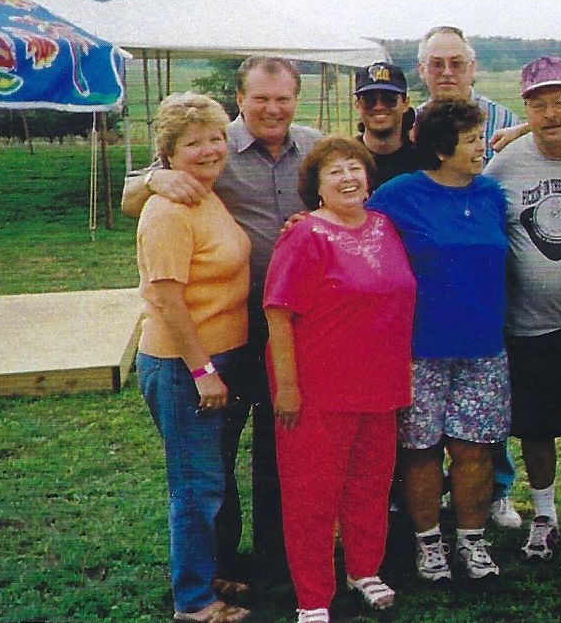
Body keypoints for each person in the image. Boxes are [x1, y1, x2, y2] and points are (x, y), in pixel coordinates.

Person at [122, 56, 323, 585]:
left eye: (283, 98)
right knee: (216, 453)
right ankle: (220, 562)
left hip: (293, 326)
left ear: (296, 99)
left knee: (282, 442)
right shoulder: (209, 144)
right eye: (261, 98)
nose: (272, 109)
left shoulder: (314, 146)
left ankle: (279, 555)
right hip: (223, 328)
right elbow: (129, 198)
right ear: (241, 99)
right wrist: (157, 179)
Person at [263, 137, 415, 623]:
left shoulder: (384, 226)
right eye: (335, 172)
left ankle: (364, 570)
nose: (348, 178)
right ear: (316, 186)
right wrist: (287, 387)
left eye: (355, 168)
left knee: (370, 484)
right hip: (318, 390)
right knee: (312, 495)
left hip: (380, 383)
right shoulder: (304, 235)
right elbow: (278, 313)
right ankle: (312, 596)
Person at [367, 97, 510, 582]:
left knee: (475, 449)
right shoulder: (399, 194)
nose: (482, 148)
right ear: (442, 147)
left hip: (483, 347)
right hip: (417, 348)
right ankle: (428, 543)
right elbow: (355, 229)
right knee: (420, 449)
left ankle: (472, 541)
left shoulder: (492, 194)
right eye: (472, 140)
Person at [484, 56, 561, 563]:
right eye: (538, 104)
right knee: (535, 428)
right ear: (525, 109)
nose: (550, 113)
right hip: (528, 325)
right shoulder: (505, 165)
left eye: (560, 101)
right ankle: (543, 515)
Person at [135, 93, 251, 623]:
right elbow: (165, 298)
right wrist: (202, 370)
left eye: (214, 138)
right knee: (195, 485)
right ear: (168, 153)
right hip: (185, 365)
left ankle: (210, 572)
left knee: (215, 475)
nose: (208, 150)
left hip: (223, 356)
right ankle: (195, 603)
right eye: (192, 143)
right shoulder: (167, 210)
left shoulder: (206, 193)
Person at [415, 25, 521, 528]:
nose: (447, 72)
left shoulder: (506, 123)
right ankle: (427, 505)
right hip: (433, 290)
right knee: (423, 424)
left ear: (473, 67)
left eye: (456, 63)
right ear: (423, 71)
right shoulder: (414, 124)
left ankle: (494, 493)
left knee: (484, 411)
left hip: (488, 283)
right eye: (437, 64)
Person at [354, 61, 423, 188]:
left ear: (405, 103)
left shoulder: (424, 162)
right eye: (369, 100)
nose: (379, 106)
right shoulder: (346, 159)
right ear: (357, 105)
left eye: (389, 99)